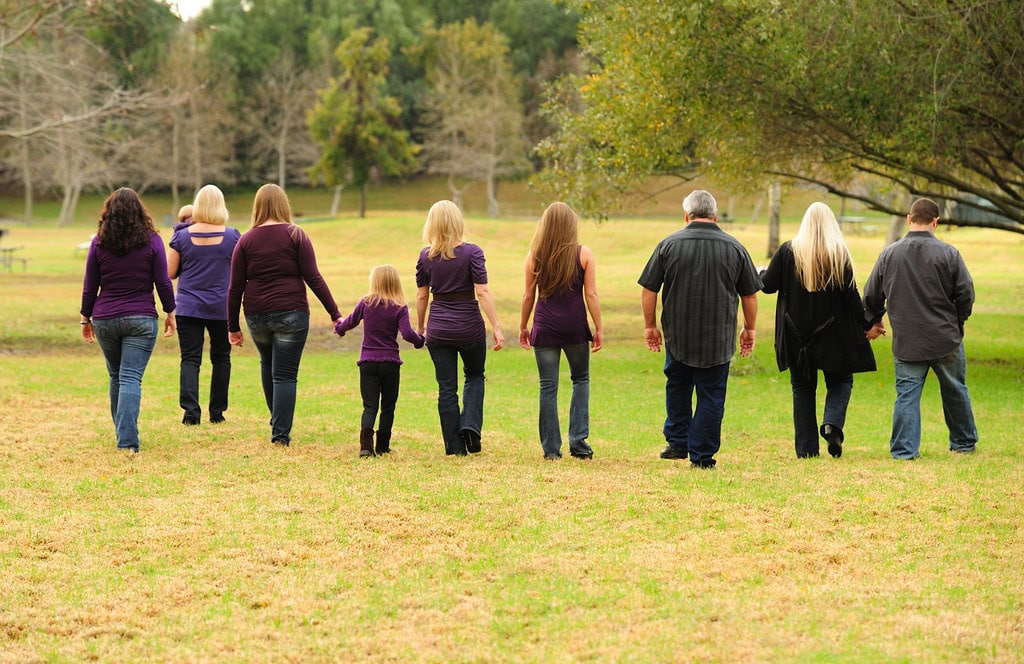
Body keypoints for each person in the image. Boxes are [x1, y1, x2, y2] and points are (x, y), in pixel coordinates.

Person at [638, 189, 761, 469]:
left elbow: (649, 288)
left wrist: (650, 326)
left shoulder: (668, 245)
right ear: (715, 215)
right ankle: (702, 455)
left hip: (678, 333)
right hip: (719, 337)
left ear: (687, 215)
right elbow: (749, 294)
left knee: (678, 386)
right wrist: (749, 328)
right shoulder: (735, 248)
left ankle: (678, 442)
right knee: (712, 395)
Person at [227, 184, 342, 447]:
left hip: (257, 315)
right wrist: (334, 313)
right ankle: (280, 434)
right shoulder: (296, 235)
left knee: (268, 364)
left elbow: (235, 287)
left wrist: (233, 326)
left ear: (257, 206)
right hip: (292, 312)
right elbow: (313, 277)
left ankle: (277, 421)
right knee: (285, 374)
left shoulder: (246, 240)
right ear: (283, 204)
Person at [760, 202, 878, 459]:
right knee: (841, 380)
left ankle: (806, 450)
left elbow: (767, 286)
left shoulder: (787, 251)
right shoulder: (838, 255)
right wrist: (868, 324)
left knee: (802, 388)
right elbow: (852, 299)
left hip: (796, 335)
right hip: (833, 336)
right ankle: (832, 424)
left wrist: (761, 272)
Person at [863, 198, 978, 459]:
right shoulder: (949, 254)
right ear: (936, 222)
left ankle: (904, 449)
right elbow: (966, 294)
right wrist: (957, 322)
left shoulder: (889, 254)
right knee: (955, 390)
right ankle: (963, 443)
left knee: (907, 395)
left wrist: (875, 319)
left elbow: (871, 296)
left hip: (907, 340)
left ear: (909, 219)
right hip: (945, 337)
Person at [80, 188, 177, 453]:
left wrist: (85, 318)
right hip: (141, 318)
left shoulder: (99, 242)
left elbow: (90, 285)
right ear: (140, 212)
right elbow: (162, 281)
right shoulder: (153, 240)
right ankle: (127, 441)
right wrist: (170, 311)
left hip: (106, 318)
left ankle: (123, 435)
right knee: (130, 377)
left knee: (117, 376)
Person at [415, 200, 504, 456]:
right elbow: (482, 292)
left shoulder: (425, 256)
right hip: (469, 327)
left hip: (439, 329)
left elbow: (422, 295)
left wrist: (420, 327)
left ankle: (454, 447)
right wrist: (496, 327)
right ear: (457, 222)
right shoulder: (472, 252)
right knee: (474, 375)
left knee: (446, 387)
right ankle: (471, 428)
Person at [519, 202, 604, 460]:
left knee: (547, 386)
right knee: (580, 379)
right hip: (575, 327)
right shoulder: (583, 254)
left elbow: (527, 296)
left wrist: (523, 326)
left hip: (545, 327)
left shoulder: (535, 256)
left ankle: (551, 449)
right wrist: (598, 327)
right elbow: (591, 294)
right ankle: (578, 442)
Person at [167, 184, 241, 425]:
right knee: (221, 358)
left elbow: (170, 272)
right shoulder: (233, 236)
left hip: (189, 306)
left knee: (190, 359)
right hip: (221, 306)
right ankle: (217, 413)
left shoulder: (181, 236)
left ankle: (191, 412)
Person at [335, 265, 425, 457]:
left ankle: (365, 447)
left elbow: (350, 321)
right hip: (390, 363)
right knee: (388, 406)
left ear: (374, 281)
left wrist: (340, 328)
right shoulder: (399, 307)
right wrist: (420, 341)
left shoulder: (366, 303)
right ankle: (383, 446)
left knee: (370, 406)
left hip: (367, 362)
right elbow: (407, 333)